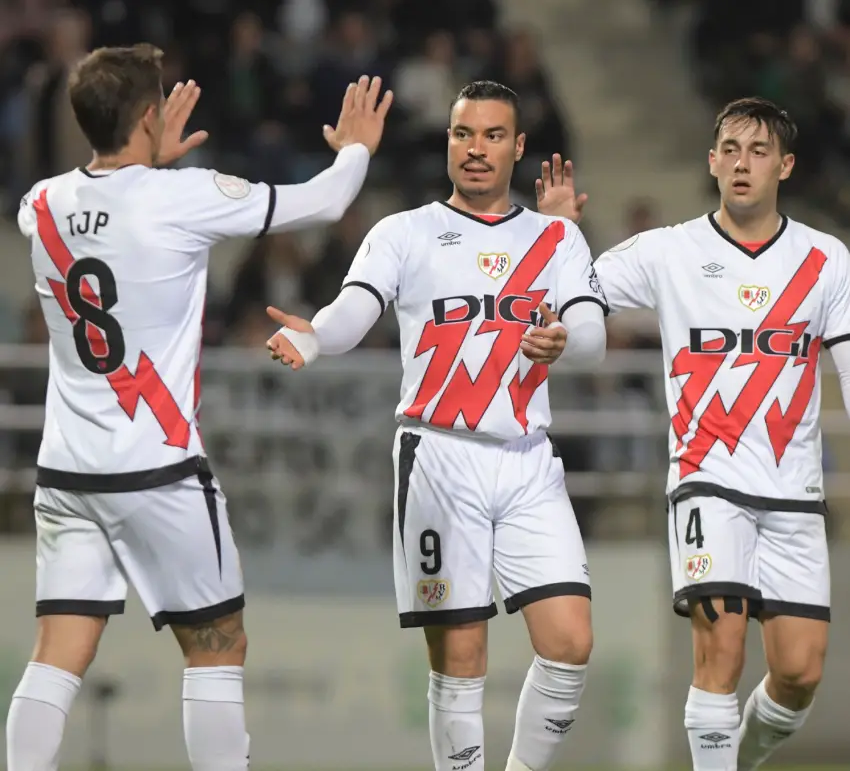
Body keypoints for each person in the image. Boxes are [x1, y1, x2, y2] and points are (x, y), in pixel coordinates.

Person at [9, 43, 391, 771]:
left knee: (58, 653)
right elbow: (326, 201)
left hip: (67, 475)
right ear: (152, 116)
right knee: (217, 646)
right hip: (158, 471)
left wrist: (145, 160)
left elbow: (109, 213)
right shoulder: (183, 197)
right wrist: (356, 151)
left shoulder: (40, 206)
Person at [265, 80, 608, 771]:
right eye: (462, 134)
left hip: (528, 458)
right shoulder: (403, 232)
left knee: (570, 643)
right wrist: (317, 338)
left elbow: (596, 331)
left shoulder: (554, 236)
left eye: (490, 136)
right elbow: (353, 309)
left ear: (516, 147)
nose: (475, 149)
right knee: (460, 656)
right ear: (448, 142)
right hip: (439, 458)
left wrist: (565, 337)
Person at [536, 97, 850, 770]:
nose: (742, 164)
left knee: (798, 674)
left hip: (793, 490)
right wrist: (559, 237)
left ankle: (739, 756)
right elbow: (571, 292)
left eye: (758, 151)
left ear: (785, 166)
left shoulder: (826, 261)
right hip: (708, 480)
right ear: (711, 162)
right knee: (722, 647)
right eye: (730, 150)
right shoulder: (668, 251)